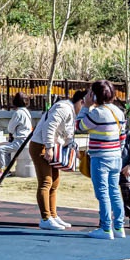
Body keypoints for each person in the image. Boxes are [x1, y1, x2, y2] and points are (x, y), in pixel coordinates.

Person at [76, 80, 126, 240]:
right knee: (114, 191)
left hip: (100, 158)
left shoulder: (96, 113)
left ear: (96, 95)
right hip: (116, 156)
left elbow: (79, 126)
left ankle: (105, 229)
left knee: (102, 193)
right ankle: (119, 227)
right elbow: (123, 136)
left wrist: (85, 106)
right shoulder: (119, 112)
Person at [29, 89, 86, 231]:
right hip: (41, 145)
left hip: (52, 147)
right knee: (46, 181)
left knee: (54, 182)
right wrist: (48, 147)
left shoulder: (71, 112)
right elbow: (50, 126)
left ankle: (53, 215)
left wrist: (75, 149)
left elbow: (67, 135)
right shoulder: (64, 108)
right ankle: (45, 218)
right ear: (81, 102)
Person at [0, 92, 33, 177]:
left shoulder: (18, 113)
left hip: (20, 141)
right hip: (27, 140)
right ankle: (7, 170)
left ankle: (2, 171)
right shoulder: (26, 112)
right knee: (7, 150)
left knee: (1, 149)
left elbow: (10, 128)